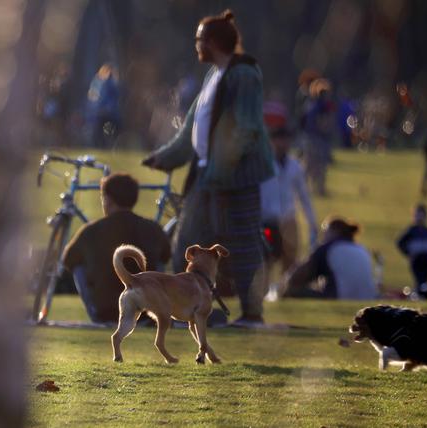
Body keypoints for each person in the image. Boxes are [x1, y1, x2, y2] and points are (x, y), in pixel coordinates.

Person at [142, 9, 275, 327]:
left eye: (200, 39)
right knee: (188, 242)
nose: (196, 45)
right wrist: (166, 157)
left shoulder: (244, 75)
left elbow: (246, 128)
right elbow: (193, 126)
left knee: (244, 244)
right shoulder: (214, 75)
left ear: (213, 42)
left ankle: (252, 313)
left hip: (237, 178)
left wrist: (221, 170)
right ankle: (177, 309)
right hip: (207, 175)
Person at [61, 173, 171, 324]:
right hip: (145, 313)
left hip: (106, 312)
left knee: (78, 266)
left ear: (108, 199)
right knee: (158, 262)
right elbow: (166, 256)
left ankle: (96, 314)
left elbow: (68, 260)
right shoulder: (153, 229)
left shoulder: (91, 231)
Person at [257, 125, 317, 301]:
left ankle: (285, 293)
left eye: (285, 140)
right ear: (271, 142)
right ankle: (262, 293)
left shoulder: (295, 166)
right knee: (266, 258)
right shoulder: (262, 164)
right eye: (278, 140)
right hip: (267, 220)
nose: (282, 144)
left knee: (290, 258)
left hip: (288, 219)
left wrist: (312, 221)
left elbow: (303, 195)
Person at [283, 216, 377, 300]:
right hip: (368, 298)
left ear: (333, 231)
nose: (323, 236)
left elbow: (296, 278)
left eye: (325, 231)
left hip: (339, 297)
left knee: (291, 290)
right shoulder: (361, 249)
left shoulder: (329, 248)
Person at [396, 204, 427, 300]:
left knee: (425, 279)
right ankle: (420, 295)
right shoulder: (411, 230)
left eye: (421, 215)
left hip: (426, 259)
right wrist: (408, 253)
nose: (419, 217)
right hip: (416, 258)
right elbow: (400, 243)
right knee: (419, 278)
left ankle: (424, 295)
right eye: (417, 215)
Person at [84, 63, 122, 147]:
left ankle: (107, 145)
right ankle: (101, 145)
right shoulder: (98, 82)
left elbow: (114, 98)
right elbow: (92, 96)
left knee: (108, 132)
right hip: (100, 113)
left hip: (109, 113)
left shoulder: (111, 83)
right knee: (99, 132)